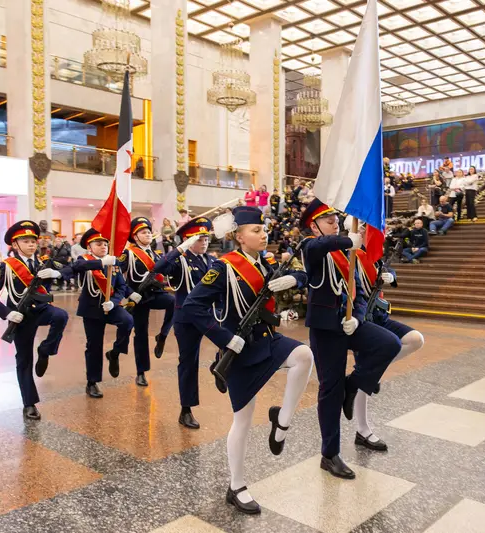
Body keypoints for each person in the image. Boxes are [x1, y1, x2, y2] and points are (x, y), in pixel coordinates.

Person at [180, 206, 314, 514]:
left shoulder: (265, 262)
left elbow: (301, 276)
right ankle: (236, 486)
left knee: (304, 356)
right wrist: (224, 339)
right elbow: (192, 306)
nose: (263, 233)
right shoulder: (224, 267)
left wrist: (292, 280)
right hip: (238, 350)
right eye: (256, 230)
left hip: (266, 338)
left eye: (264, 229)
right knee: (243, 419)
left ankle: (282, 421)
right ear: (239, 237)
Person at [300, 198, 401, 480]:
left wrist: (356, 316)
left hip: (349, 323)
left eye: (335, 219)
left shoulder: (347, 254)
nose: (334, 222)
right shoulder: (311, 247)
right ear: (314, 225)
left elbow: (352, 290)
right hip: (325, 330)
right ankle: (329, 454)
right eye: (328, 220)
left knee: (389, 344)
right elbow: (318, 247)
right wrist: (346, 239)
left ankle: (353, 385)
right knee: (329, 390)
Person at [0, 221, 69, 420]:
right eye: (26, 241)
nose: (31, 245)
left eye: (33, 241)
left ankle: (45, 350)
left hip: (42, 309)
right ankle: (29, 403)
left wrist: (57, 273)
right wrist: (6, 313)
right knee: (24, 360)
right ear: (15, 245)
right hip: (21, 316)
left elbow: (69, 268)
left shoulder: (42, 263)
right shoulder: (6, 266)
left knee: (61, 315)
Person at [352, 221, 425, 450]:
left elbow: (386, 268)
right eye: (363, 229)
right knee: (364, 379)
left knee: (415, 339)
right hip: (364, 321)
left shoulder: (374, 255)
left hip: (380, 317)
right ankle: (362, 430)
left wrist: (390, 276)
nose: (367, 233)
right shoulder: (350, 255)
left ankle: (373, 368)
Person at [153, 217, 218, 429]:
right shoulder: (180, 260)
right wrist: (179, 249)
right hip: (187, 319)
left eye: (206, 238)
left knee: (230, 342)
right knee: (188, 363)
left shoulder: (210, 261)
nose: (205, 242)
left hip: (208, 315)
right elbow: (159, 268)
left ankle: (219, 365)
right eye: (200, 238)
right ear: (189, 240)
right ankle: (186, 409)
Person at [68, 228, 135, 398]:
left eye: (105, 243)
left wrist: (113, 302)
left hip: (110, 306)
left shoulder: (114, 261)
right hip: (91, 308)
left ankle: (115, 353)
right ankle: (92, 382)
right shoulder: (84, 260)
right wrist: (102, 263)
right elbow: (78, 266)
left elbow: (121, 286)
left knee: (127, 321)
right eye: (99, 243)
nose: (103, 246)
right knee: (94, 345)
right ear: (90, 247)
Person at [118, 217, 175, 387]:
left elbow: (165, 273)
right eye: (143, 232)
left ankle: (162, 335)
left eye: (149, 231)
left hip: (155, 294)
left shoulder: (156, 254)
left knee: (172, 302)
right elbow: (118, 277)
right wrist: (129, 294)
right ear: (135, 237)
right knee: (140, 333)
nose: (148, 234)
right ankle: (141, 372)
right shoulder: (128, 254)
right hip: (138, 297)